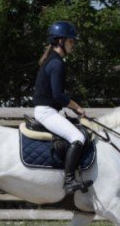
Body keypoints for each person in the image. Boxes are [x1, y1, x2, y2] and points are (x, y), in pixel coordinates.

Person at [33, 21, 91, 194]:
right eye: (70, 41)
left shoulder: (52, 60)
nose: (73, 44)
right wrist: (77, 108)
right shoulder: (57, 63)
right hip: (46, 112)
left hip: (49, 111)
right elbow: (58, 95)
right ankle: (69, 181)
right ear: (60, 41)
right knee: (77, 137)